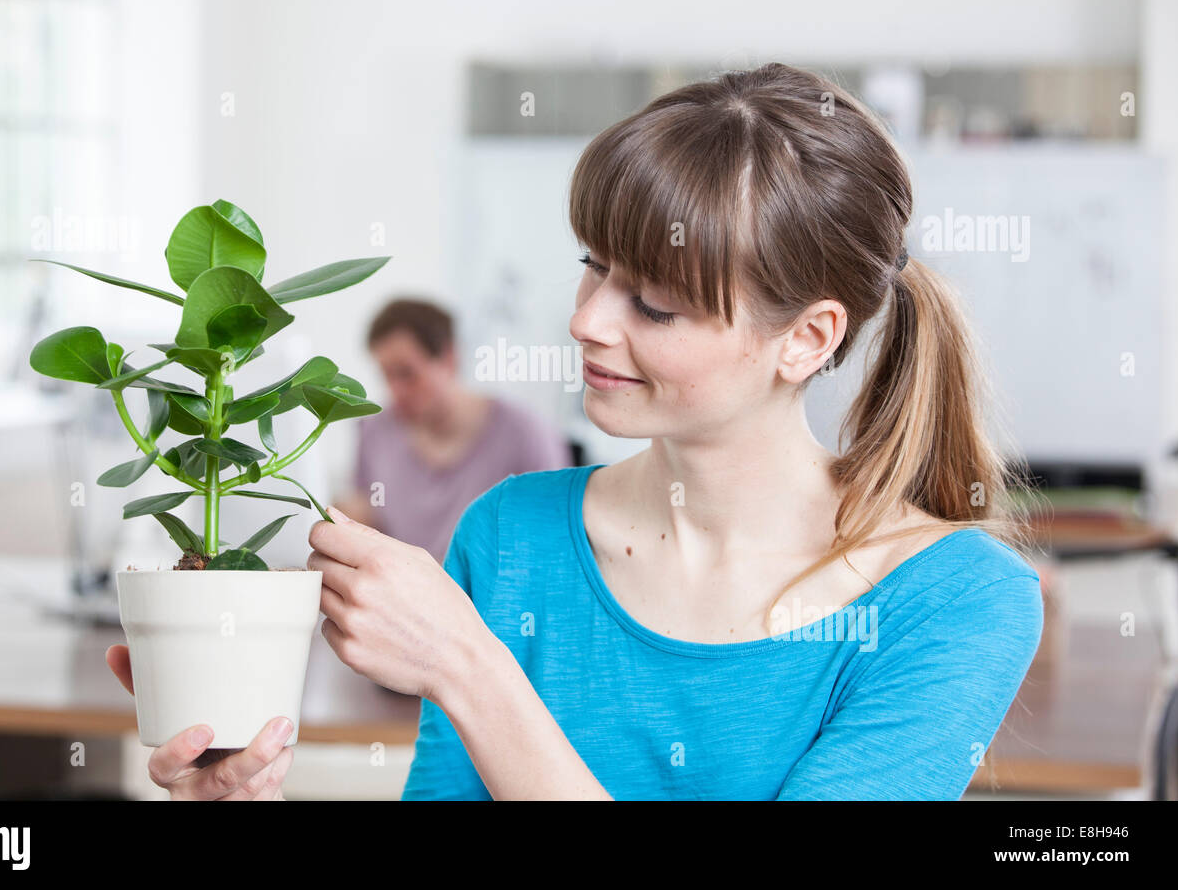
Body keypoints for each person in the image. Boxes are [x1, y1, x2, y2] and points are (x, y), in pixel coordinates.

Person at [108, 62, 1043, 800]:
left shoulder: (958, 600)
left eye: (656, 304)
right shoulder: (511, 536)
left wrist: (467, 665)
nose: (589, 321)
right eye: (593, 268)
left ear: (806, 339)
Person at [332, 298, 573, 563]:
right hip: (397, 591)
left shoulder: (526, 434)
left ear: (448, 359)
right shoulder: (375, 432)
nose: (395, 390)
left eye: (407, 373)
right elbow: (369, 510)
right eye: (387, 375)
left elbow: (552, 535)